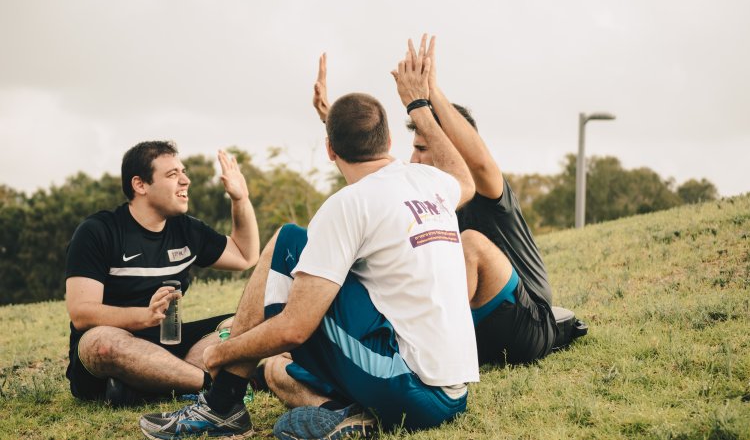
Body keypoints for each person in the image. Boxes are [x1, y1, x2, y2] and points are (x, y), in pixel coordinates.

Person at [139, 44, 479, 440]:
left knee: (287, 242)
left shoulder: (346, 204)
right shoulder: (432, 182)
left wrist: (221, 351)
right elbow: (465, 177)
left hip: (410, 387)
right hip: (454, 392)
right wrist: (418, 102)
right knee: (281, 368)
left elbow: (295, 330)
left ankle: (222, 404)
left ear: (330, 149)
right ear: (388, 142)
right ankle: (339, 414)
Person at [64, 141, 260, 406]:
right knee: (101, 342)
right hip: (116, 345)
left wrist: (240, 199)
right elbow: (81, 313)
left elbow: (244, 255)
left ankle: (159, 385)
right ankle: (211, 384)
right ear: (140, 185)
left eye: (183, 172)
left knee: (248, 322)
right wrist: (144, 316)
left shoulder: (186, 230)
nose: (186, 181)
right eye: (172, 175)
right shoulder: (99, 231)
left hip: (173, 346)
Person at [403, 35, 557, 365]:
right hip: (480, 334)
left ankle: (434, 356)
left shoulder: (484, 188)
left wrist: (429, 95)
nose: (413, 160)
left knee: (469, 242)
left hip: (527, 324)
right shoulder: (426, 200)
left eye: (422, 149)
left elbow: (481, 162)